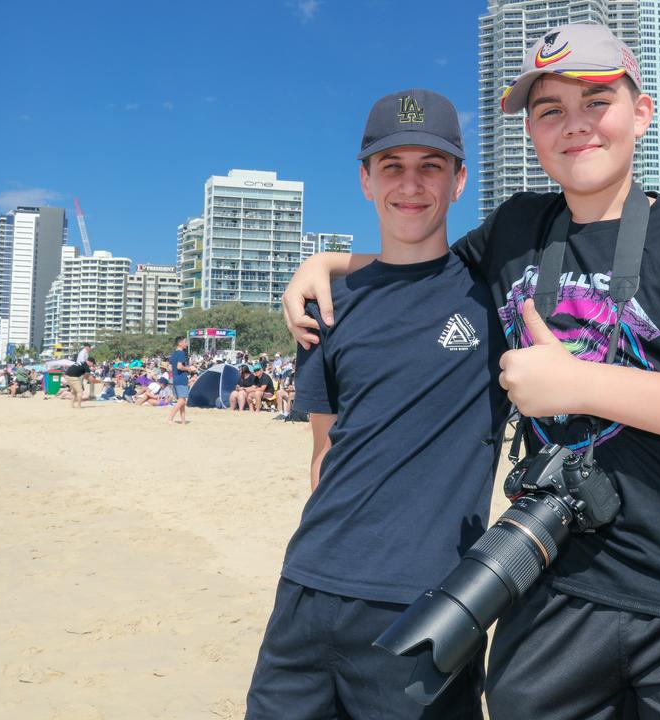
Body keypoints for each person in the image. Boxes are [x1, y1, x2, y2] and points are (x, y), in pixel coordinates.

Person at [281, 25, 660, 719]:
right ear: (530, 131)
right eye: (550, 110)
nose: (575, 125)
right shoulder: (515, 231)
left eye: (597, 102)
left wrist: (582, 384)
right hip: (546, 593)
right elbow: (415, 259)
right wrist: (327, 266)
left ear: (642, 113)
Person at [247, 88, 501, 718]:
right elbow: (323, 456)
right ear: (365, 180)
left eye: (430, 167)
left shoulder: (494, 295)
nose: (410, 185)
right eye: (392, 167)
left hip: (427, 609)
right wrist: (327, 264)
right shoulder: (327, 306)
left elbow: (599, 226)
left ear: (460, 179)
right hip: (306, 594)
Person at [167, 336, 191, 425]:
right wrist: (188, 369)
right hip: (181, 379)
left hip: (175, 379)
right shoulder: (181, 353)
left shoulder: (174, 354)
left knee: (182, 401)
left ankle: (183, 421)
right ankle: (170, 418)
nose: (186, 344)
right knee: (182, 401)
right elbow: (179, 366)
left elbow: (169, 368)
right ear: (180, 343)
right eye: (185, 342)